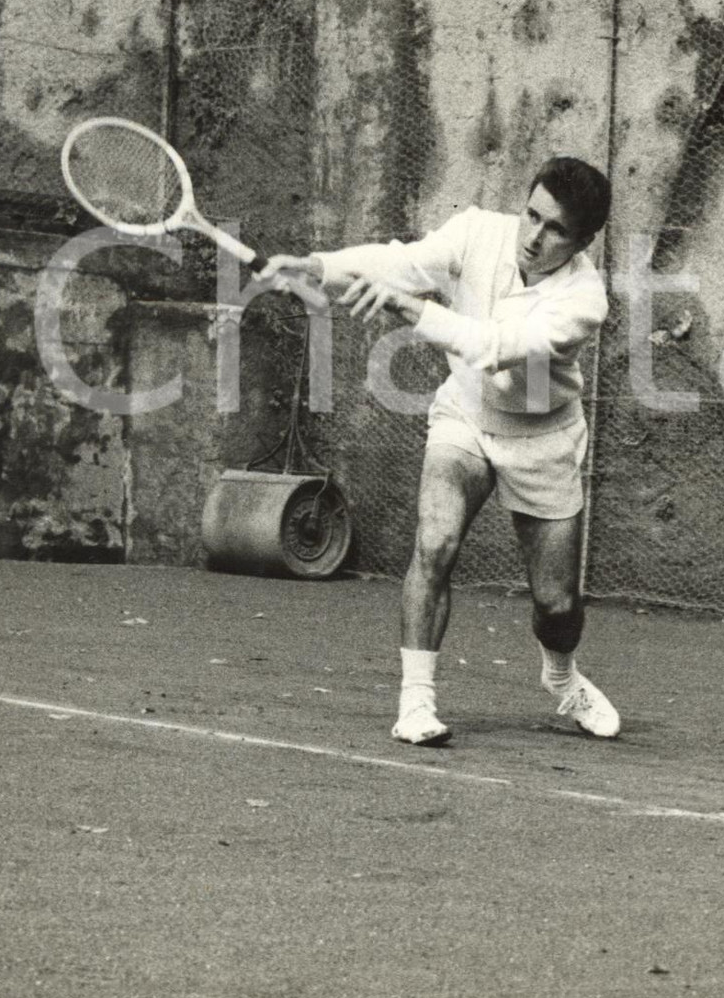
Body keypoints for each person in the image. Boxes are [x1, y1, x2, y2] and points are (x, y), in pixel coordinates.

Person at [260, 156, 619, 747]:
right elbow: (401, 262)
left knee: (557, 605)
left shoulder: (584, 300)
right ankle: (416, 704)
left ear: (582, 241)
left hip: (543, 439)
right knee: (435, 541)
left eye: (554, 229)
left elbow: (489, 345)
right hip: (466, 418)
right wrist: (318, 265)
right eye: (531, 215)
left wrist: (407, 307)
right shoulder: (479, 230)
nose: (533, 237)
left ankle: (561, 677)